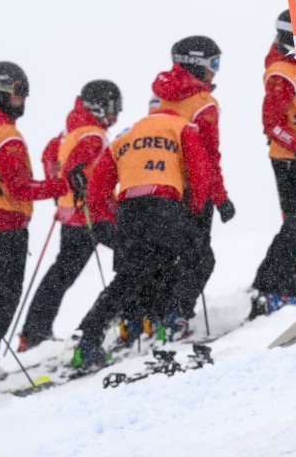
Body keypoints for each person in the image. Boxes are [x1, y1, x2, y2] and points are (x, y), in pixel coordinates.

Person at [71, 105, 210, 368]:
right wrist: (193, 210)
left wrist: (115, 219)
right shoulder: (183, 127)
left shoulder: (125, 135)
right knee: (198, 257)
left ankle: (88, 339)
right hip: (165, 203)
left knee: (129, 277)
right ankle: (171, 320)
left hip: (129, 208)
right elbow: (200, 174)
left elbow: (97, 190)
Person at [18, 81, 122, 352]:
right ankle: (131, 315)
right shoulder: (94, 135)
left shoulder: (67, 132)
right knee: (135, 258)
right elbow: (77, 162)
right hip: (94, 215)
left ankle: (34, 333)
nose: (117, 115)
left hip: (70, 216)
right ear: (97, 107)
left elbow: (49, 156)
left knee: (61, 274)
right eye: (114, 108)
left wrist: (59, 189)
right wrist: (75, 177)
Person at [0, 62, 70, 384]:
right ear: (2, 92)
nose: (24, 102)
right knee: (4, 300)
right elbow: (21, 187)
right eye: (20, 93)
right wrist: (64, 185)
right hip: (4, 227)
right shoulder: (6, 137)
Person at [151, 36, 234, 332]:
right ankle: (176, 314)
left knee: (170, 254)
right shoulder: (203, 104)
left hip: (161, 190)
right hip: (193, 192)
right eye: (214, 63)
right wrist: (220, 197)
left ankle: (155, 313)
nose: (216, 71)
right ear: (196, 64)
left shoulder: (159, 101)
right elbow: (210, 157)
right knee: (200, 258)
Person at [250, 8, 296, 317]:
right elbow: (271, 122)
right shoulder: (282, 71)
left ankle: (285, 278)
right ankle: (269, 284)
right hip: (288, 158)